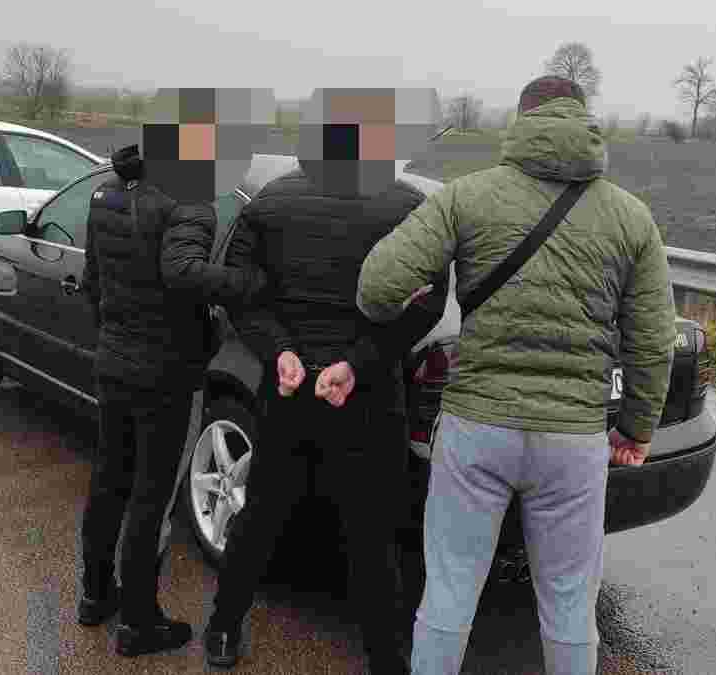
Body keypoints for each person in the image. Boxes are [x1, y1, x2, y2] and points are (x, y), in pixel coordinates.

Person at [355, 76, 678, 675]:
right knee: (569, 602)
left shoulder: (466, 196)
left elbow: (377, 285)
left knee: (450, 590)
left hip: (476, 428)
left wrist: (392, 312)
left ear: (521, 120)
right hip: (573, 440)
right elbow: (653, 342)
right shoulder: (630, 217)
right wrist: (636, 429)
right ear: (583, 120)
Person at [202, 87, 449, 675]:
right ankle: (386, 659)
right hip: (366, 396)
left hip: (288, 392)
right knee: (371, 535)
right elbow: (429, 302)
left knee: (259, 517)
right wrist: (357, 363)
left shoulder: (270, 200)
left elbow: (240, 294)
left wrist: (280, 352)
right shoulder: (407, 205)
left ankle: (222, 631)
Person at [78, 87, 274, 659]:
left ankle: (95, 595)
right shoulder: (190, 202)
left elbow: (93, 284)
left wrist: (115, 336)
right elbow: (183, 271)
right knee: (152, 496)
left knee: (108, 482)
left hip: (114, 364)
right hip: (166, 375)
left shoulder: (106, 192)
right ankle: (139, 622)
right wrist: (250, 285)